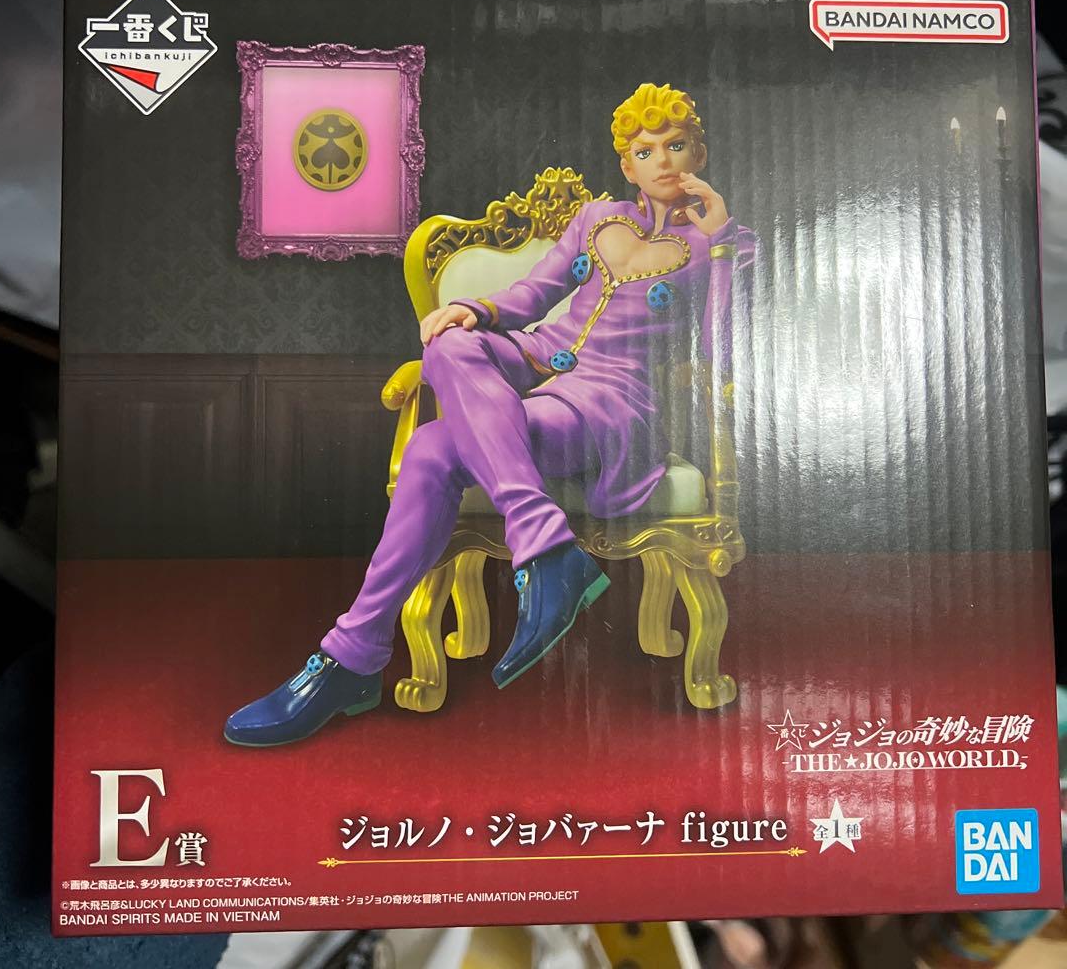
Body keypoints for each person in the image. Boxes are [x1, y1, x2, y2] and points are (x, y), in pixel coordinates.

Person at [224, 82, 756, 746]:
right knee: (449, 342)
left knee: (431, 450)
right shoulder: (597, 218)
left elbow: (728, 347)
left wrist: (722, 240)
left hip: (614, 401)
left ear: (699, 153)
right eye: (646, 150)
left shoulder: (715, 243)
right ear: (627, 164)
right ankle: (545, 547)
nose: (664, 160)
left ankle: (350, 658)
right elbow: (535, 292)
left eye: (676, 145)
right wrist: (473, 310)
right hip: (537, 356)